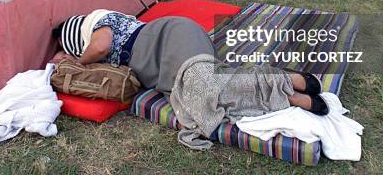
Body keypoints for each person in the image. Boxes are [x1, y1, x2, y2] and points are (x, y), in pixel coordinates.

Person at [52, 10, 329, 120]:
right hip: (174, 43)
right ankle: (288, 92)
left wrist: (77, 60)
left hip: (167, 43)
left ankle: (287, 86)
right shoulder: (115, 19)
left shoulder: (101, 23)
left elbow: (100, 46)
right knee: (209, 91)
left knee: (201, 93)